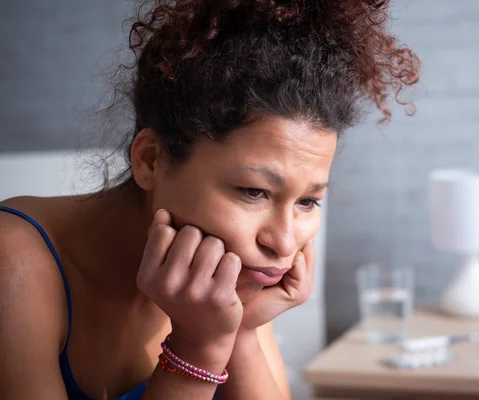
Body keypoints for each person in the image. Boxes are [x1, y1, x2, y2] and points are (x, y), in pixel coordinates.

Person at [0, 0, 419, 399]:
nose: (285, 243)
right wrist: (196, 350)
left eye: (308, 202)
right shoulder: (13, 265)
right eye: (254, 191)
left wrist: (241, 332)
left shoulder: (226, 275)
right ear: (151, 160)